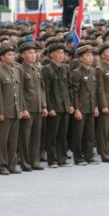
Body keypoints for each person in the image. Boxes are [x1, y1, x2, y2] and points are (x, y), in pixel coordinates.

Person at [0, 44, 24, 175]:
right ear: (2, 57)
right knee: (2, 141)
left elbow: (19, 92)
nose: (13, 56)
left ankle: (12, 164)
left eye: (13, 54)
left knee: (13, 141)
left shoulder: (16, 70)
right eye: (9, 55)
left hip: (15, 111)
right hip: (4, 112)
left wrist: (21, 109)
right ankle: (3, 166)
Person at [42, 39, 74, 168]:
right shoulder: (47, 69)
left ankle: (62, 158)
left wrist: (71, 104)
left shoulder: (66, 68)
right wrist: (49, 107)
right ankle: (52, 159)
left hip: (65, 106)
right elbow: (46, 90)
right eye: (59, 53)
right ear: (51, 55)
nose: (62, 55)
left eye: (63, 53)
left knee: (62, 134)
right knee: (52, 135)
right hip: (54, 107)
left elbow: (70, 88)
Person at [17, 41, 47, 171]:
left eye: (34, 52)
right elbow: (20, 91)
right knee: (25, 137)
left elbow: (42, 89)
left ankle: (35, 161)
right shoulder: (20, 69)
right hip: (28, 108)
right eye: (29, 53)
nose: (33, 55)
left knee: (36, 137)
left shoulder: (37, 69)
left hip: (38, 107)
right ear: (23, 55)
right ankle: (25, 162)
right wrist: (23, 108)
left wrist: (44, 106)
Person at [70, 44, 99, 165]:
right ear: (81, 58)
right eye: (87, 55)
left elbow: (95, 91)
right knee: (78, 134)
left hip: (91, 107)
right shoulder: (76, 73)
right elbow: (74, 93)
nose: (90, 57)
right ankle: (78, 157)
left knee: (90, 134)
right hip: (81, 108)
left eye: (91, 55)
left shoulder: (93, 71)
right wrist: (76, 109)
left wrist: (96, 106)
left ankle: (89, 156)